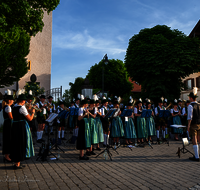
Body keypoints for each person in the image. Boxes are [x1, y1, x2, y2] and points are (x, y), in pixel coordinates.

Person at [10, 89, 35, 169]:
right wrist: (33, 112)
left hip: (15, 125)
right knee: (20, 143)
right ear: (22, 101)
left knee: (15, 143)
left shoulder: (13, 107)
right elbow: (30, 119)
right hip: (21, 126)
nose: (25, 101)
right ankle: (17, 163)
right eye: (24, 100)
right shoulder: (22, 108)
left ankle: (17, 162)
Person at [187, 88, 200, 161]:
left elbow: (190, 117)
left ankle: (197, 156)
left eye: (189, 97)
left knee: (194, 139)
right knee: (199, 139)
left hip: (194, 124)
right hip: (199, 123)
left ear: (191, 98)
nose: (189, 98)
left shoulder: (190, 106)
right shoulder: (199, 105)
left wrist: (188, 126)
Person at [2, 90, 14, 162]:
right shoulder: (8, 107)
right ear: (9, 100)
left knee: (8, 139)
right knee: (7, 139)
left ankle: (8, 155)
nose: (13, 101)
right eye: (12, 100)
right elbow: (11, 117)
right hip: (8, 124)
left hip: (7, 123)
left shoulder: (6, 107)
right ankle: (6, 156)